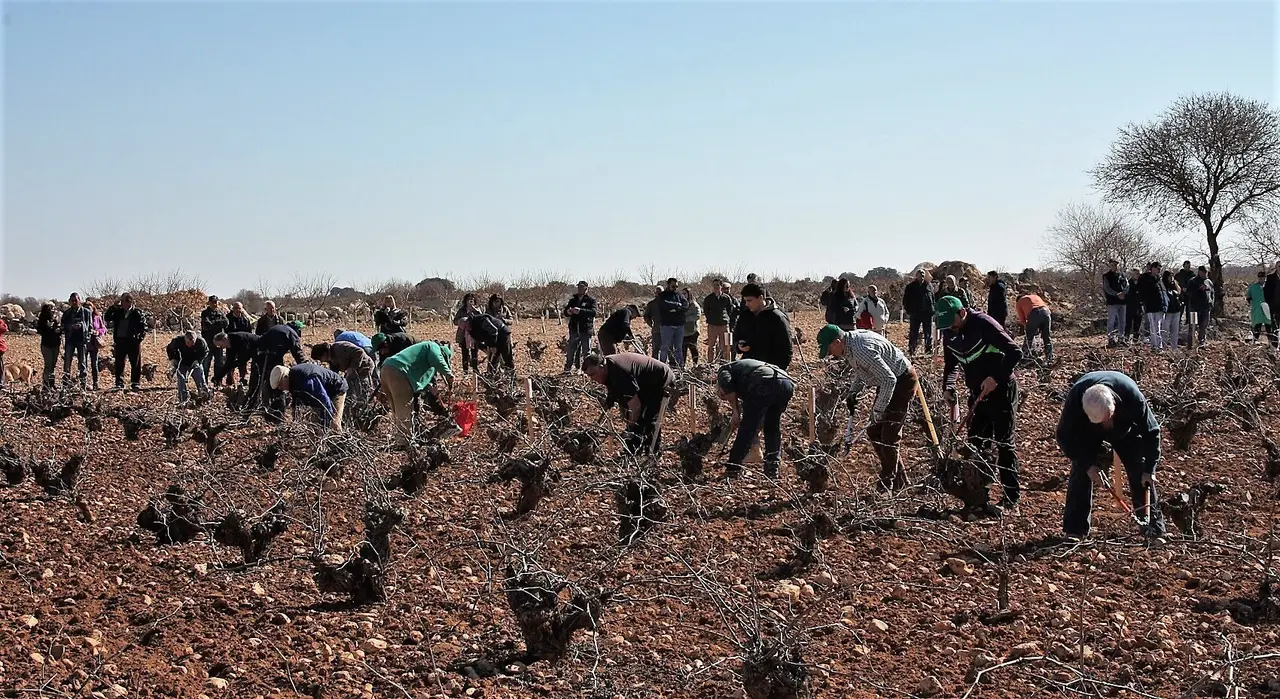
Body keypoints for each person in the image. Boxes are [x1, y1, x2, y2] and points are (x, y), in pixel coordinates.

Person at [937, 296, 1024, 510]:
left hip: (1002, 389)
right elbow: (951, 363)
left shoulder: (984, 323)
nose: (950, 327)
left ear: (962, 312)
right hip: (977, 392)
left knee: (1004, 443)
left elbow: (1015, 352)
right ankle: (979, 494)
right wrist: (948, 387)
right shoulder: (949, 332)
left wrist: (995, 377)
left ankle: (1011, 498)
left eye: (952, 321)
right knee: (975, 443)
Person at [1057, 371, 1166, 539]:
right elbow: (1064, 436)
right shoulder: (1076, 398)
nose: (1105, 425)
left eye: (1107, 418)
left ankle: (1153, 528)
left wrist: (1150, 468)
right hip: (1089, 433)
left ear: (1114, 404)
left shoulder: (1131, 395)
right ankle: (1075, 530)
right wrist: (1087, 465)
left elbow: (1152, 431)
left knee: (1140, 471)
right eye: (1101, 422)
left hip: (1126, 430)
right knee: (1081, 471)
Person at [817, 324, 915, 490]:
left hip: (902, 381)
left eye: (829, 350)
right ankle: (900, 479)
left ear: (837, 342)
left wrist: (878, 410)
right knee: (874, 431)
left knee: (889, 436)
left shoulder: (862, 350)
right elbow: (863, 372)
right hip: (890, 381)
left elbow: (889, 380)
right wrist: (853, 392)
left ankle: (886, 486)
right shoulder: (849, 346)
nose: (830, 355)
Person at [582, 352, 676, 455]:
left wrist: (631, 428)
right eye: (589, 376)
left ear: (601, 367)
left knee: (647, 417)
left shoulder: (620, 373)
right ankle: (634, 450)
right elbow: (615, 389)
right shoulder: (608, 368)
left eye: (593, 374)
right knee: (634, 417)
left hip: (659, 379)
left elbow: (635, 406)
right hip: (642, 381)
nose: (592, 378)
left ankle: (651, 453)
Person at [716, 359, 796, 478]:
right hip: (786, 382)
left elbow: (729, 388)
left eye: (723, 395)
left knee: (748, 427)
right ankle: (772, 467)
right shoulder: (743, 371)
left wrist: (735, 412)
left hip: (764, 381)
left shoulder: (723, 371)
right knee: (772, 425)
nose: (725, 397)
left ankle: (733, 467)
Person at [378, 341, 454, 446]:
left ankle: (401, 437)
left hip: (386, 369)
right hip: (398, 372)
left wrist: (431, 388)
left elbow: (419, 377)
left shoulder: (424, 357)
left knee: (396, 409)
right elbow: (438, 360)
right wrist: (449, 374)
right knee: (405, 408)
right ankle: (404, 442)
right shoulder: (432, 347)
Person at [270, 363, 348, 431]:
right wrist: (294, 420)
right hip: (322, 394)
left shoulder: (306, 380)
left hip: (337, 389)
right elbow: (296, 401)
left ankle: (337, 445)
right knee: (314, 425)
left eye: (280, 384)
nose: (280, 388)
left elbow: (324, 402)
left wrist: (326, 425)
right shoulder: (292, 380)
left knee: (334, 425)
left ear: (285, 377)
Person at [733, 283, 793, 370]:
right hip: (748, 366)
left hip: (770, 368)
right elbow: (736, 338)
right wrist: (739, 346)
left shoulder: (777, 318)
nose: (746, 304)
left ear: (761, 298)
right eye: (745, 301)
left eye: (749, 301)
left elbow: (786, 348)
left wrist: (779, 370)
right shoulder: (744, 317)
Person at [257, 321, 306, 411]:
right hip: (272, 356)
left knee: (267, 379)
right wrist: (304, 365)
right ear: (298, 329)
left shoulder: (279, 327)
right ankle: (278, 408)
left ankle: (264, 404)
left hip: (260, 354)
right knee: (279, 378)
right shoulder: (291, 333)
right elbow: (297, 352)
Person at [105, 293, 148, 391]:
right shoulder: (118, 312)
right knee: (119, 362)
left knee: (135, 363)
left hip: (133, 341)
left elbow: (144, 327)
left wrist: (139, 339)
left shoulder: (137, 312)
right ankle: (119, 383)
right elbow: (107, 317)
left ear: (129, 302)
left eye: (123, 301)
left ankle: (135, 383)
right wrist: (113, 307)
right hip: (120, 340)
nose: (121, 303)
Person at [311, 341, 375, 406]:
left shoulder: (340, 348)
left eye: (320, 358)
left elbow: (359, 351)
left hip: (364, 367)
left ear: (324, 353)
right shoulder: (330, 358)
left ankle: (364, 408)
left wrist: (352, 367)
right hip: (352, 371)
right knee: (348, 389)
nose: (321, 361)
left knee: (361, 391)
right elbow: (334, 372)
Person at [165, 330, 210, 406]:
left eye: (192, 343)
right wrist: (173, 359)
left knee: (200, 380)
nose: (190, 345)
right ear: (185, 339)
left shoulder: (201, 342)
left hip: (195, 363)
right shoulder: (177, 341)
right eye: (188, 343)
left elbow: (205, 352)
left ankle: (204, 398)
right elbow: (169, 349)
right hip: (182, 363)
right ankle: (183, 400)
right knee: (181, 380)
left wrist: (198, 361)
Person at [563, 281, 597, 374]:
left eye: (581, 287)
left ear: (586, 288)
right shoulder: (573, 300)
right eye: (578, 287)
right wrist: (569, 312)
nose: (579, 289)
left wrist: (580, 311)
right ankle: (568, 369)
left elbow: (593, 312)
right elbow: (565, 312)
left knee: (586, 352)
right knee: (571, 350)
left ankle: (587, 370)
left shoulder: (591, 300)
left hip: (585, 329)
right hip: (574, 329)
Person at [61, 293, 92, 388]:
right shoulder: (67, 313)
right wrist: (71, 326)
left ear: (80, 300)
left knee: (82, 363)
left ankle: (83, 384)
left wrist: (82, 326)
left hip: (81, 340)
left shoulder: (86, 312)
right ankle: (66, 384)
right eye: (72, 300)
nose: (74, 302)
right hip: (70, 339)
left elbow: (90, 326)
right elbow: (63, 326)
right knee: (67, 362)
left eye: (76, 300)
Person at [656, 278, 689, 368]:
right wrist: (678, 305)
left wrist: (675, 308)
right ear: (668, 285)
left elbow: (686, 306)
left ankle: (680, 367)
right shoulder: (662, 295)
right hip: (667, 325)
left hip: (679, 326)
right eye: (673, 286)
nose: (675, 288)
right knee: (664, 348)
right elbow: (664, 305)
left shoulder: (680, 295)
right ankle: (661, 367)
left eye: (677, 286)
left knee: (678, 348)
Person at [903, 269, 934, 355]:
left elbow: (933, 298)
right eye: (920, 275)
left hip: (927, 314)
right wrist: (909, 311)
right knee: (914, 333)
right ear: (916, 276)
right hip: (915, 314)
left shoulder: (929, 286)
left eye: (923, 274)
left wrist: (932, 310)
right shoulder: (910, 287)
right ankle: (912, 350)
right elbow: (906, 300)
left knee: (928, 333)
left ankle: (928, 350)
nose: (922, 276)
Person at [1138, 262, 1168, 350]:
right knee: (1154, 327)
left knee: (1159, 327)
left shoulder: (1159, 280)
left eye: (1160, 269)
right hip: (1151, 307)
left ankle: (1158, 345)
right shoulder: (1146, 279)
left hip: (1160, 307)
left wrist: (1166, 304)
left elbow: (1163, 293)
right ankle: (1156, 346)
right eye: (1158, 268)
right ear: (1153, 268)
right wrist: (1143, 304)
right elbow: (1142, 293)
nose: (1159, 270)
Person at [703, 280, 734, 363]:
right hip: (712, 325)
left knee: (726, 345)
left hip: (724, 325)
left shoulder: (726, 298)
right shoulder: (709, 298)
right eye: (714, 285)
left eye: (717, 285)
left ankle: (727, 363)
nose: (715, 287)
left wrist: (725, 317)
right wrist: (711, 318)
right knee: (711, 345)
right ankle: (710, 363)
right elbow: (706, 310)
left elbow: (730, 309)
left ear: (721, 287)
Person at [1015, 292, 1052, 363]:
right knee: (1047, 337)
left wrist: (1029, 328)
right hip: (1047, 313)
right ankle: (1049, 358)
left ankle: (1025, 357)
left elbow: (1022, 320)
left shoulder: (1019, 302)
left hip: (1034, 313)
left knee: (1028, 337)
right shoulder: (1035, 296)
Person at [199, 296, 229, 382]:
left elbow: (226, 322)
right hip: (208, 342)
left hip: (219, 343)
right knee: (206, 363)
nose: (214, 304)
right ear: (209, 303)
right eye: (213, 302)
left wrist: (214, 323)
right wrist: (218, 324)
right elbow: (207, 325)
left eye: (216, 302)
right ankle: (204, 383)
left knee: (219, 363)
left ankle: (217, 381)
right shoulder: (205, 313)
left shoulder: (220, 312)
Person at [1185, 266, 1215, 346]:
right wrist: (1198, 289)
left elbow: (1212, 293)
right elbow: (1188, 293)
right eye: (1203, 272)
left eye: (1206, 272)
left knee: (1204, 327)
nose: (1205, 274)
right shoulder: (1193, 281)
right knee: (1193, 327)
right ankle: (1191, 344)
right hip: (1194, 307)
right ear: (1199, 272)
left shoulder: (1209, 282)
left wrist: (1211, 303)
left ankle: (1202, 342)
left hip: (1206, 308)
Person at [453, 294, 482, 374]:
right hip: (463, 335)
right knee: (464, 354)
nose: (470, 301)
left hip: (474, 335)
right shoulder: (461, 310)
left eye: (472, 299)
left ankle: (475, 371)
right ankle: (465, 371)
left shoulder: (477, 310)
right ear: (465, 301)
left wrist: (475, 310)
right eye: (468, 299)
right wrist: (462, 321)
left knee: (474, 353)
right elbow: (455, 321)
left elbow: (482, 318)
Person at [1102, 260, 1128, 348]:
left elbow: (1127, 285)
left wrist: (1123, 293)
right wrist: (1117, 294)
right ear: (1110, 266)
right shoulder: (1106, 276)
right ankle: (1111, 339)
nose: (1114, 267)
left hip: (1122, 301)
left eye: (1116, 265)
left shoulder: (1122, 275)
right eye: (1112, 265)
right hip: (1112, 302)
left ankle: (1121, 338)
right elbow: (1107, 288)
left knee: (1122, 321)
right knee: (1111, 321)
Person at [1247, 270, 1275, 347]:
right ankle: (1255, 341)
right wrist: (1252, 304)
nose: (1261, 279)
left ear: (1265, 278)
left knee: (1269, 326)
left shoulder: (1269, 286)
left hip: (1268, 309)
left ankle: (1270, 343)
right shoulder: (1253, 287)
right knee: (1257, 325)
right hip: (1257, 309)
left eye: (1262, 277)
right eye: (1260, 278)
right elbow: (1248, 297)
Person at [37, 302, 61, 388]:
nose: (52, 311)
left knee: (53, 365)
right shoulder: (42, 321)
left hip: (55, 344)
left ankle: (52, 383)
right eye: (50, 309)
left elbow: (60, 330)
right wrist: (47, 327)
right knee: (48, 365)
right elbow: (40, 331)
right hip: (46, 345)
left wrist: (58, 330)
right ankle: (46, 384)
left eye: (53, 309)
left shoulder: (56, 320)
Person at [85, 302, 107, 390]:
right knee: (84, 364)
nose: (88, 310)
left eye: (89, 308)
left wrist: (97, 332)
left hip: (94, 344)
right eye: (86, 308)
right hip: (85, 343)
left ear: (93, 308)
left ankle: (95, 383)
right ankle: (84, 383)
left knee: (94, 364)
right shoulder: (82, 317)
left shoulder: (97, 318)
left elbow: (104, 329)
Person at [1161, 271, 1184, 351]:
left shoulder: (1175, 286)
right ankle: (1163, 347)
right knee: (1165, 330)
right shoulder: (1163, 286)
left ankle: (1174, 347)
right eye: (1169, 276)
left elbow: (1180, 294)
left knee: (1175, 330)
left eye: (1172, 276)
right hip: (1167, 311)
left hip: (1176, 310)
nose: (1171, 278)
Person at [681, 288, 702, 365]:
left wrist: (685, 319)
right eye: (682, 294)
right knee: (682, 350)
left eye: (685, 294)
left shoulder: (694, 305)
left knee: (693, 349)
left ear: (689, 294)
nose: (683, 295)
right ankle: (682, 366)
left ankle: (695, 365)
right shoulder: (681, 304)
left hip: (693, 331)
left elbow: (697, 316)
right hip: (683, 332)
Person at [1124, 268, 1145, 344]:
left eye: (1139, 274)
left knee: (1137, 323)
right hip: (1129, 306)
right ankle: (1126, 339)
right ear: (1132, 274)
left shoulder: (1142, 283)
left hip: (1139, 306)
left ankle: (1135, 340)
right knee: (1128, 323)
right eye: (1136, 274)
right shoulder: (1128, 283)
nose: (1138, 275)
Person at [642, 286, 663, 359]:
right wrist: (651, 324)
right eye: (657, 292)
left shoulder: (667, 303)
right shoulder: (652, 304)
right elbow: (646, 316)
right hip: (657, 329)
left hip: (667, 329)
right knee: (656, 349)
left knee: (666, 349)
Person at [1175, 261, 1196, 329]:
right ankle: (1177, 326)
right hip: (1180, 296)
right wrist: (1180, 288)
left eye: (1189, 267)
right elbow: (1175, 284)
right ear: (1183, 266)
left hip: (1190, 296)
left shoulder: (1193, 275)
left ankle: (1190, 328)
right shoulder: (1178, 275)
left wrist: (1188, 289)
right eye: (1186, 267)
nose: (1187, 268)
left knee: (1190, 313)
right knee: (1179, 312)